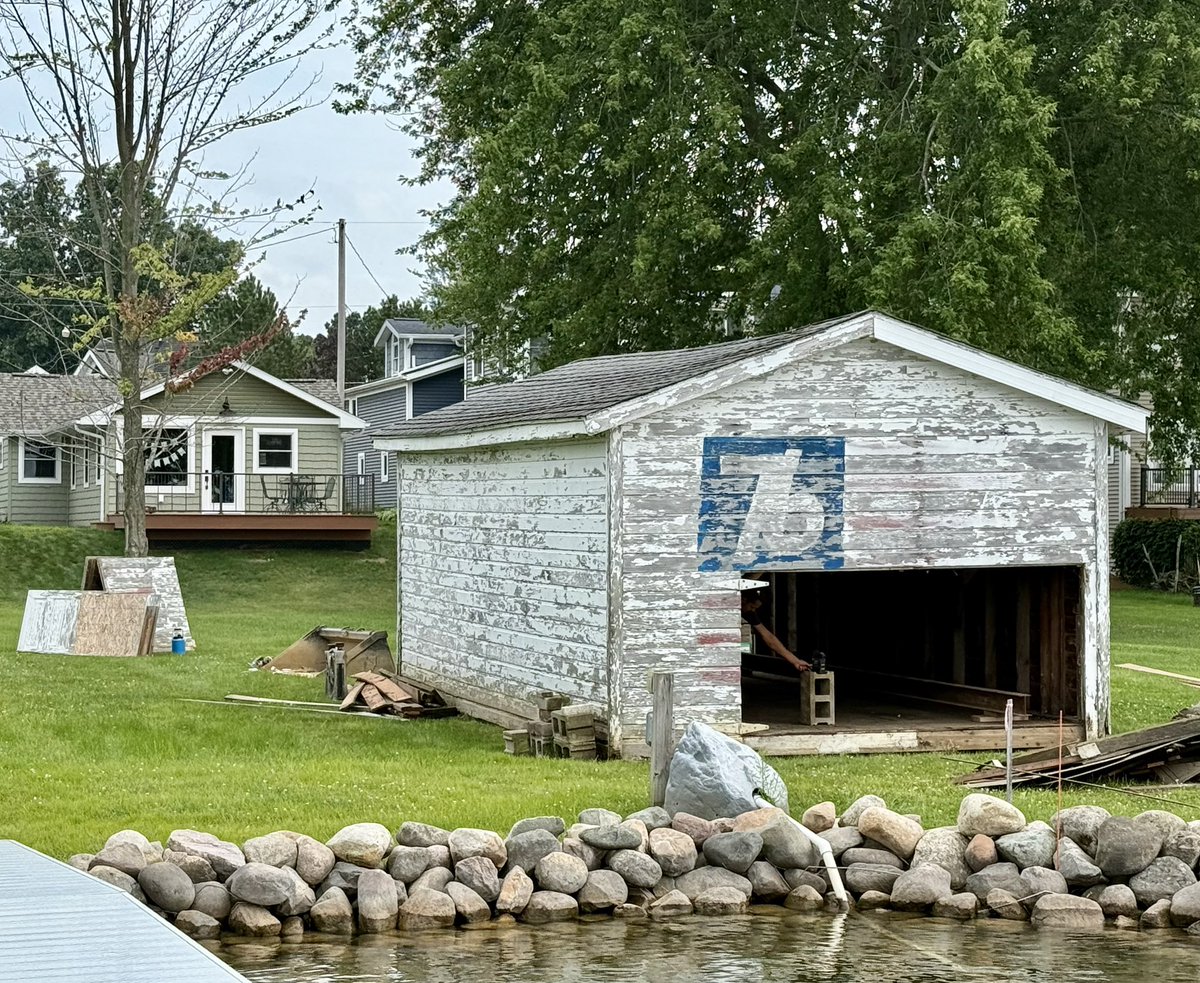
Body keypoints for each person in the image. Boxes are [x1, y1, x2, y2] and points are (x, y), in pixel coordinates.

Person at [741, 586, 811, 673]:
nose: (753, 611)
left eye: (755, 608)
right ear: (743, 600)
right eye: (752, 607)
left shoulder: (749, 613)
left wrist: (795, 661)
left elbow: (768, 637)